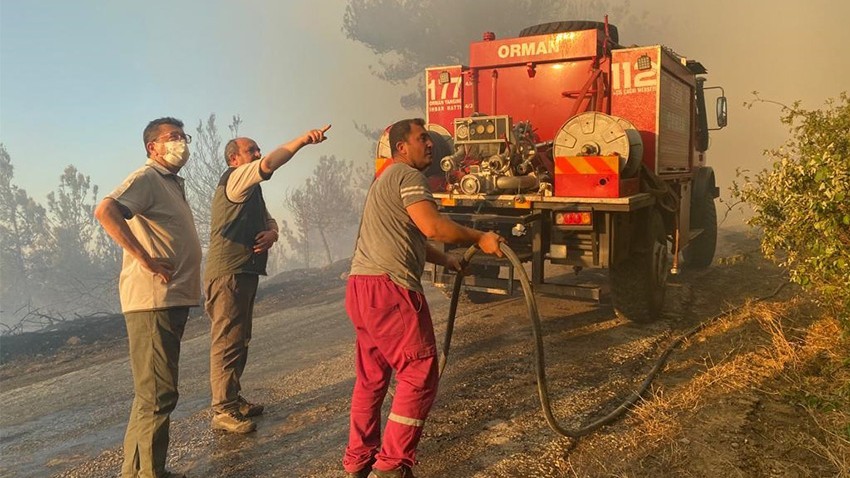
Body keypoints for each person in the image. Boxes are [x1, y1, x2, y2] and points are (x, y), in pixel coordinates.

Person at [343, 118, 505, 478]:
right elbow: (431, 226)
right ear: (402, 147)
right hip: (389, 289)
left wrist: (447, 259)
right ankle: (391, 466)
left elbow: (412, 235)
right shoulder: (407, 177)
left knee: (371, 378)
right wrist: (479, 237)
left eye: (430, 139)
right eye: (421, 139)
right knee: (419, 372)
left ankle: (359, 461)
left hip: (361, 288)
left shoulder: (383, 182)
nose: (429, 144)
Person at [204, 125, 331, 434]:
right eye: (252, 150)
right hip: (229, 273)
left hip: (243, 271)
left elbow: (268, 218)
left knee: (240, 338)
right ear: (235, 159)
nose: (258, 154)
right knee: (228, 341)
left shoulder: (250, 189)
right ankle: (222, 410)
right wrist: (301, 140)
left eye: (258, 149)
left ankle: (233, 399)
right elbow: (271, 163)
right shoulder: (236, 179)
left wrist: (273, 233)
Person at [95, 117, 202, 478]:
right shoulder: (147, 178)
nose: (181, 143)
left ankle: (137, 471)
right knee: (158, 395)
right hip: (154, 298)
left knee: (150, 394)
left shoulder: (170, 183)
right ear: (152, 147)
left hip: (169, 298)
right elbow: (106, 211)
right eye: (172, 137)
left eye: (183, 136)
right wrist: (145, 258)